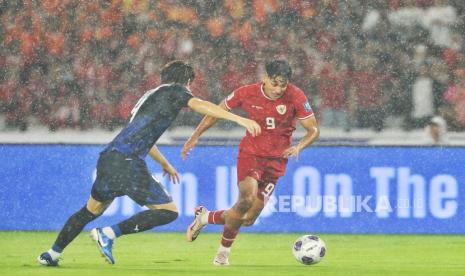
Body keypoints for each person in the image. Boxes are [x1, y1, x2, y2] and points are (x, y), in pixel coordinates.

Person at [37, 60, 261, 266]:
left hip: (109, 159)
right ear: (187, 81)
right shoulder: (176, 90)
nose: (190, 91)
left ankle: (52, 253)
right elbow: (201, 105)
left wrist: (164, 164)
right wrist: (239, 118)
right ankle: (108, 234)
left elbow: (142, 137)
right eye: (190, 85)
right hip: (127, 161)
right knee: (168, 212)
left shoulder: (150, 96)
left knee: (89, 210)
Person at [182, 59, 320, 265]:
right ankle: (222, 254)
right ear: (265, 78)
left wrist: (300, 146)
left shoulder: (296, 96)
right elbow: (216, 113)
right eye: (275, 83)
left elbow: (314, 130)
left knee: (247, 219)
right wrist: (195, 135)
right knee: (245, 199)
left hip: (277, 162)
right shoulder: (246, 92)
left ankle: (205, 217)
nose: (279, 89)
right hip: (251, 155)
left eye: (283, 84)